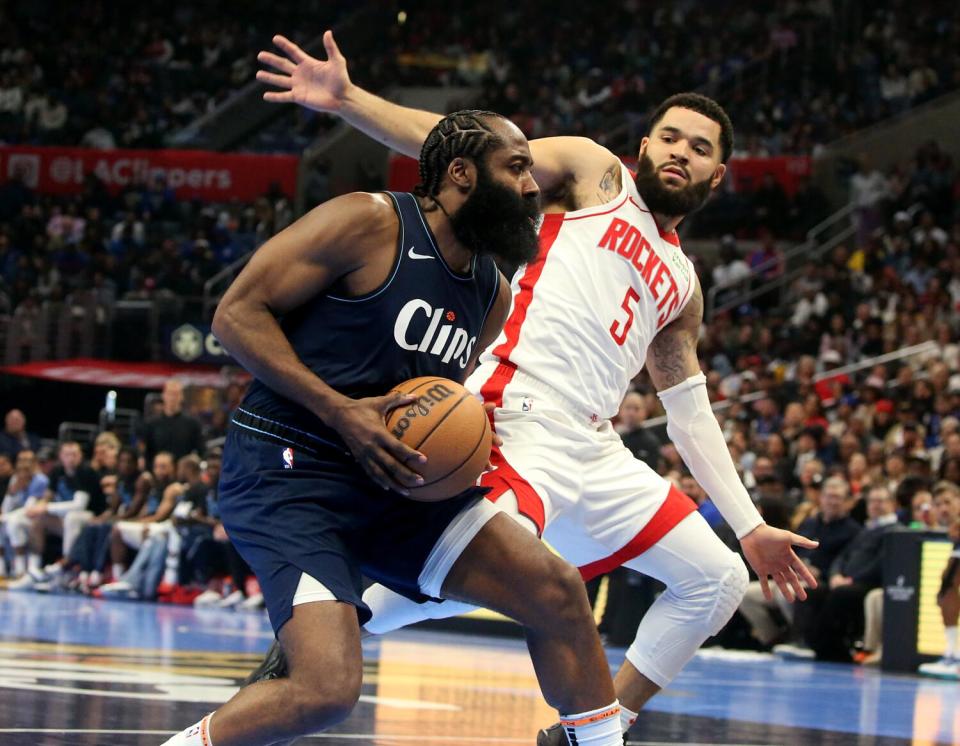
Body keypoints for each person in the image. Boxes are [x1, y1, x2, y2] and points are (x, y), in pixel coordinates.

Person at [248, 31, 818, 742]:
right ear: (644, 144)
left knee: (719, 580)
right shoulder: (596, 174)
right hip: (513, 410)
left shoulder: (686, 284)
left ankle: (595, 723)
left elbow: (688, 410)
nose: (680, 151)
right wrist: (348, 100)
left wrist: (750, 524)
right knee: (476, 565)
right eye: (670, 137)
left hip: (597, 446)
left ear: (719, 174)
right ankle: (323, 631)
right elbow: (470, 149)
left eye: (698, 148)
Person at [163, 110, 624, 746]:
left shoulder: (492, 294)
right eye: (515, 167)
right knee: (325, 690)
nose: (530, 188)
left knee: (555, 589)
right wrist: (337, 408)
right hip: (289, 468)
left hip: (392, 485)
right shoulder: (370, 222)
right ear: (460, 174)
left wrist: (461, 445)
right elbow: (237, 314)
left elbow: (432, 413)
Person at [140, 379, 205, 463]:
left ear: (181, 397)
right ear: (164, 395)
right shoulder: (151, 424)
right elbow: (146, 453)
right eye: (170, 393)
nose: (172, 398)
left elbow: (201, 451)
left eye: (176, 394)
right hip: (157, 472)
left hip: (182, 472)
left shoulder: (193, 424)